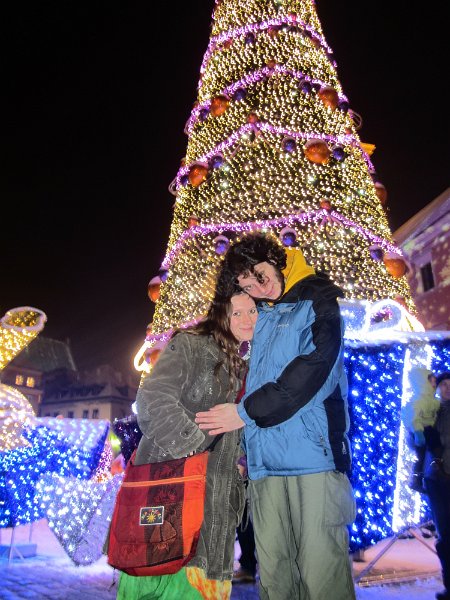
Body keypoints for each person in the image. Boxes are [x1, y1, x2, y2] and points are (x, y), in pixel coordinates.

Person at [195, 232, 356, 600]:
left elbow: (314, 369)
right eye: (246, 285)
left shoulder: (317, 297)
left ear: (274, 258)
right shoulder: (261, 315)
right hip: (264, 466)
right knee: (275, 578)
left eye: (258, 275)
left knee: (321, 575)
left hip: (313, 460)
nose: (256, 287)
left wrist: (244, 413)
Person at [116, 287, 258, 600]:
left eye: (253, 311)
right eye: (237, 312)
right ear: (220, 314)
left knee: (203, 577)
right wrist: (192, 447)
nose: (247, 319)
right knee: (161, 572)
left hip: (216, 498)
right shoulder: (191, 345)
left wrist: (242, 459)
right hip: (171, 485)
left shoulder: (248, 361)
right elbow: (153, 398)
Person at [423, 371, 450, 600]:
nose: (447, 388)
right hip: (436, 478)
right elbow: (417, 442)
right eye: (443, 384)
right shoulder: (430, 410)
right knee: (445, 535)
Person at [402, 367, 439, 493]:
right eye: (432, 381)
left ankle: (425, 475)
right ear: (424, 383)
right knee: (421, 457)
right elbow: (413, 418)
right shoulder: (418, 401)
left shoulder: (432, 400)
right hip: (420, 432)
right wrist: (418, 432)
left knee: (426, 455)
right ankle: (416, 480)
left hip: (428, 430)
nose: (434, 384)